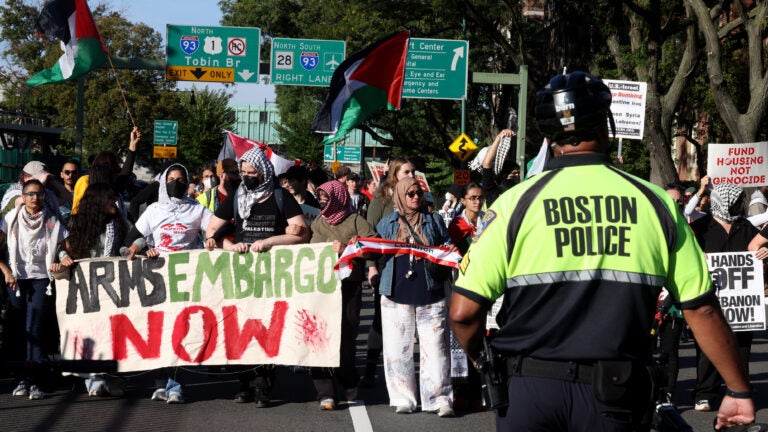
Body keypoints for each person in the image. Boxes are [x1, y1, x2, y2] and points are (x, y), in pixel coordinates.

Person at [449, 71, 754, 431]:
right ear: (606, 126)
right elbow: (700, 307)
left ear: (548, 136)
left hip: (528, 391)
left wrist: (482, 362)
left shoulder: (514, 205)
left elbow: (464, 311)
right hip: (616, 394)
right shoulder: (656, 204)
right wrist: (737, 388)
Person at [204, 147, 309, 407]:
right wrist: (230, 246)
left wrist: (270, 242)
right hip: (240, 275)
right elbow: (211, 232)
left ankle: (263, 384)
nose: (247, 177)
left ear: (263, 172)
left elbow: (301, 233)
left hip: (271, 275)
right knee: (241, 329)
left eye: (252, 172)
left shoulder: (280, 196)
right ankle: (244, 383)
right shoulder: (237, 196)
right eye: (244, 172)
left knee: (265, 329)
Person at [123, 163, 213, 404]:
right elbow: (130, 242)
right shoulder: (153, 210)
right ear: (164, 183)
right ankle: (160, 383)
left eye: (181, 179)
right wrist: (143, 249)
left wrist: (213, 239)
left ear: (187, 182)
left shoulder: (198, 210)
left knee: (179, 332)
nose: (176, 182)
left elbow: (216, 230)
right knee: (158, 332)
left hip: (186, 279)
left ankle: (175, 384)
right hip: (156, 278)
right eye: (171, 178)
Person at [375, 177, 455, 417]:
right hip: (395, 292)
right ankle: (403, 398)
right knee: (397, 348)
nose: (415, 198)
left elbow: (447, 242)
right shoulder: (387, 222)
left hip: (430, 291)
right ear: (399, 195)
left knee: (436, 348)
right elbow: (375, 251)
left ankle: (439, 398)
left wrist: (449, 249)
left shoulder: (434, 220)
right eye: (410, 194)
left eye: (419, 193)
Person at [688, 183, 757, 413]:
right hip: (711, 299)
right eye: (733, 202)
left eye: (739, 201)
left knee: (741, 348)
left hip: (742, 304)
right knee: (709, 347)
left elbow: (758, 255)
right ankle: (704, 393)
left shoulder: (746, 227)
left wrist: (764, 252)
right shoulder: (700, 228)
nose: (736, 205)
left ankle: (739, 393)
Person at [309, 180, 378, 410]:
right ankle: (325, 392)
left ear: (337, 198)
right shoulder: (318, 222)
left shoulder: (356, 220)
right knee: (318, 337)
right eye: (319, 198)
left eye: (325, 198)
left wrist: (349, 250)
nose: (321, 202)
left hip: (349, 287)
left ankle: (348, 382)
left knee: (346, 337)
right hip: (320, 288)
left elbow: (373, 245)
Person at [58, 182, 130, 397]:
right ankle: (94, 379)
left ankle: (113, 376)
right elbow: (62, 247)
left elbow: (132, 240)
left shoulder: (119, 222)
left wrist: (130, 249)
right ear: (99, 202)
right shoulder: (77, 223)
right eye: (110, 198)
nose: (115, 203)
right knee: (92, 333)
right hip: (86, 288)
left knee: (113, 334)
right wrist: (63, 258)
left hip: (114, 287)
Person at [0, 179, 68, 401]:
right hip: (16, 279)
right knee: (20, 327)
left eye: (39, 194)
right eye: (30, 194)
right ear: (23, 195)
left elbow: (64, 245)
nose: (34, 198)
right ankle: (22, 379)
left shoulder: (50, 220)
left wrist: (63, 259)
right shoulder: (11, 219)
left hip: (41, 280)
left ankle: (36, 380)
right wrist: (7, 271)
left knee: (35, 326)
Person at [362, 157, 417, 387]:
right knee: (382, 318)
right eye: (406, 171)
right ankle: (370, 369)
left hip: (413, 264)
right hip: (387, 263)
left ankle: (402, 372)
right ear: (395, 174)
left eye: (413, 171)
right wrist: (371, 266)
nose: (412, 175)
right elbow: (370, 232)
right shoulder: (383, 197)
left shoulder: (417, 196)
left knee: (410, 317)